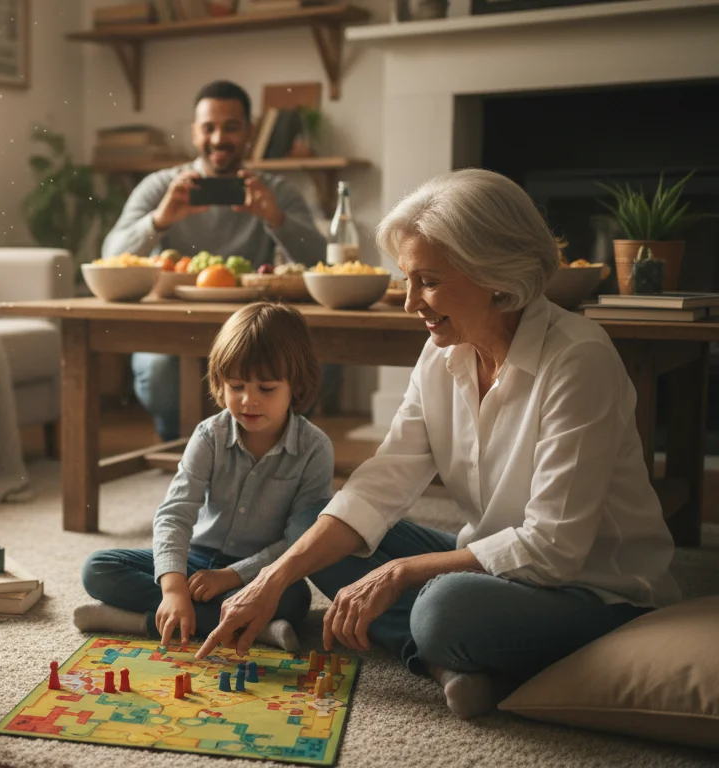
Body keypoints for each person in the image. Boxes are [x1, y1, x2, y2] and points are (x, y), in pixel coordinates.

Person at [195, 169, 680, 720]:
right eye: (407, 280)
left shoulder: (578, 359)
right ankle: (445, 662)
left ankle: (437, 643)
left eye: (426, 280)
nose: (409, 304)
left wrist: (402, 572)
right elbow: (383, 483)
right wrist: (272, 578)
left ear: (494, 274)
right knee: (311, 520)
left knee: (444, 610)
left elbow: (553, 549)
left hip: (597, 593)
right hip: (491, 562)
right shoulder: (442, 353)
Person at [74, 303, 335, 651]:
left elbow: (299, 541)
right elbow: (175, 514)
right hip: (195, 557)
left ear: (296, 385)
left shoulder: (314, 448)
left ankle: (136, 621)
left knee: (296, 599)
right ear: (220, 382)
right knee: (98, 567)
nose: (248, 400)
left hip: (256, 572)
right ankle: (256, 629)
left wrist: (231, 576)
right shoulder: (210, 435)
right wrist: (173, 589)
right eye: (237, 385)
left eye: (266, 389)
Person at [101, 80, 329, 441]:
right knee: (157, 371)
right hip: (173, 323)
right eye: (209, 127)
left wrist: (276, 218)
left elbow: (323, 260)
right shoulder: (161, 186)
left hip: (253, 327)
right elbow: (110, 256)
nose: (219, 138)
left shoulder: (275, 190)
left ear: (250, 132)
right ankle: (180, 447)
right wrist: (159, 220)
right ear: (194, 132)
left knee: (311, 361)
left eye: (232, 127)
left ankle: (277, 453)